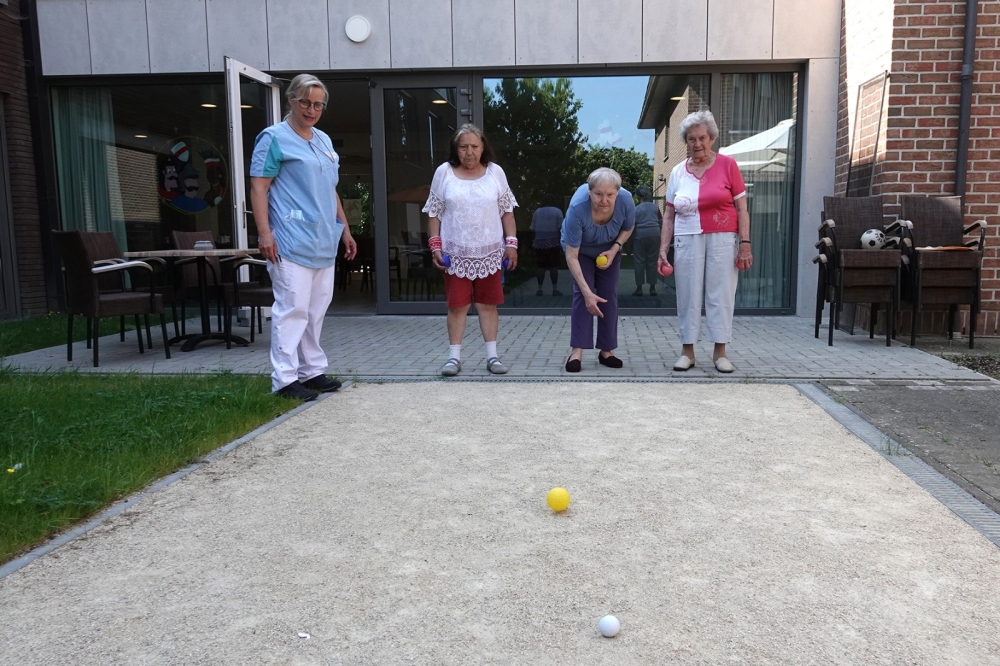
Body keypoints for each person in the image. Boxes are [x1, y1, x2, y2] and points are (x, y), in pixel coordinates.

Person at [250, 73, 357, 401]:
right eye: (306, 102)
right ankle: (284, 379)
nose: (312, 110)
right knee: (292, 308)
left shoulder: (323, 141)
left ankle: (312, 371)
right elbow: (258, 187)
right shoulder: (273, 138)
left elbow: (331, 189)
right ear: (291, 100)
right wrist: (265, 234)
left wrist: (346, 229)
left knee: (315, 310)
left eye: (318, 105)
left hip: (323, 239)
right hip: (291, 240)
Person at [658, 110, 752, 374]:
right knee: (687, 293)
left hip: (723, 237)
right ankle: (687, 352)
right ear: (685, 142)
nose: (697, 144)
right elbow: (668, 215)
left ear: (711, 138)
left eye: (702, 138)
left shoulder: (728, 165)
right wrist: (663, 249)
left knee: (720, 292)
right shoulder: (677, 172)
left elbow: (742, 208)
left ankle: (720, 352)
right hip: (687, 237)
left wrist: (745, 243)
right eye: (691, 139)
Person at [424, 123, 518, 377]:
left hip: (490, 252)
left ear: (483, 147)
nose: (469, 152)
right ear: (456, 149)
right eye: (463, 147)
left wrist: (511, 245)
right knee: (457, 306)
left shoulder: (495, 173)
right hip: (455, 254)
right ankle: (453, 358)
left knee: (489, 305)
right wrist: (435, 246)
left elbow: (507, 211)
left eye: (474, 146)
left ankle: (492, 356)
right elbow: (434, 213)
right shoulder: (443, 173)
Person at [561, 168, 635, 373]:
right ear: (589, 192)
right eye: (598, 194)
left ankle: (606, 351)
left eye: (610, 195)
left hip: (610, 249)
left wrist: (615, 249)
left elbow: (628, 227)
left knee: (608, 295)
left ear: (617, 193)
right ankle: (577, 351)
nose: (604, 200)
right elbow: (571, 256)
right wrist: (587, 292)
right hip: (579, 252)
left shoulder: (627, 201)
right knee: (583, 296)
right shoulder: (577, 208)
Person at [530, 194, 564, 296]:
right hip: (553, 242)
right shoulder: (557, 211)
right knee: (553, 266)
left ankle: (539, 289)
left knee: (541, 267)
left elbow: (532, 227)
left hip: (539, 243)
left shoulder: (537, 212)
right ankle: (555, 289)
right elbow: (561, 227)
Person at [631, 185, 662, 296]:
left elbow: (632, 225)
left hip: (640, 235)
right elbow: (660, 220)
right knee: (652, 261)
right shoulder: (655, 207)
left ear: (639, 196)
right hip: (655, 234)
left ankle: (639, 289)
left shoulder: (636, 209)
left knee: (639, 261)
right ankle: (652, 288)